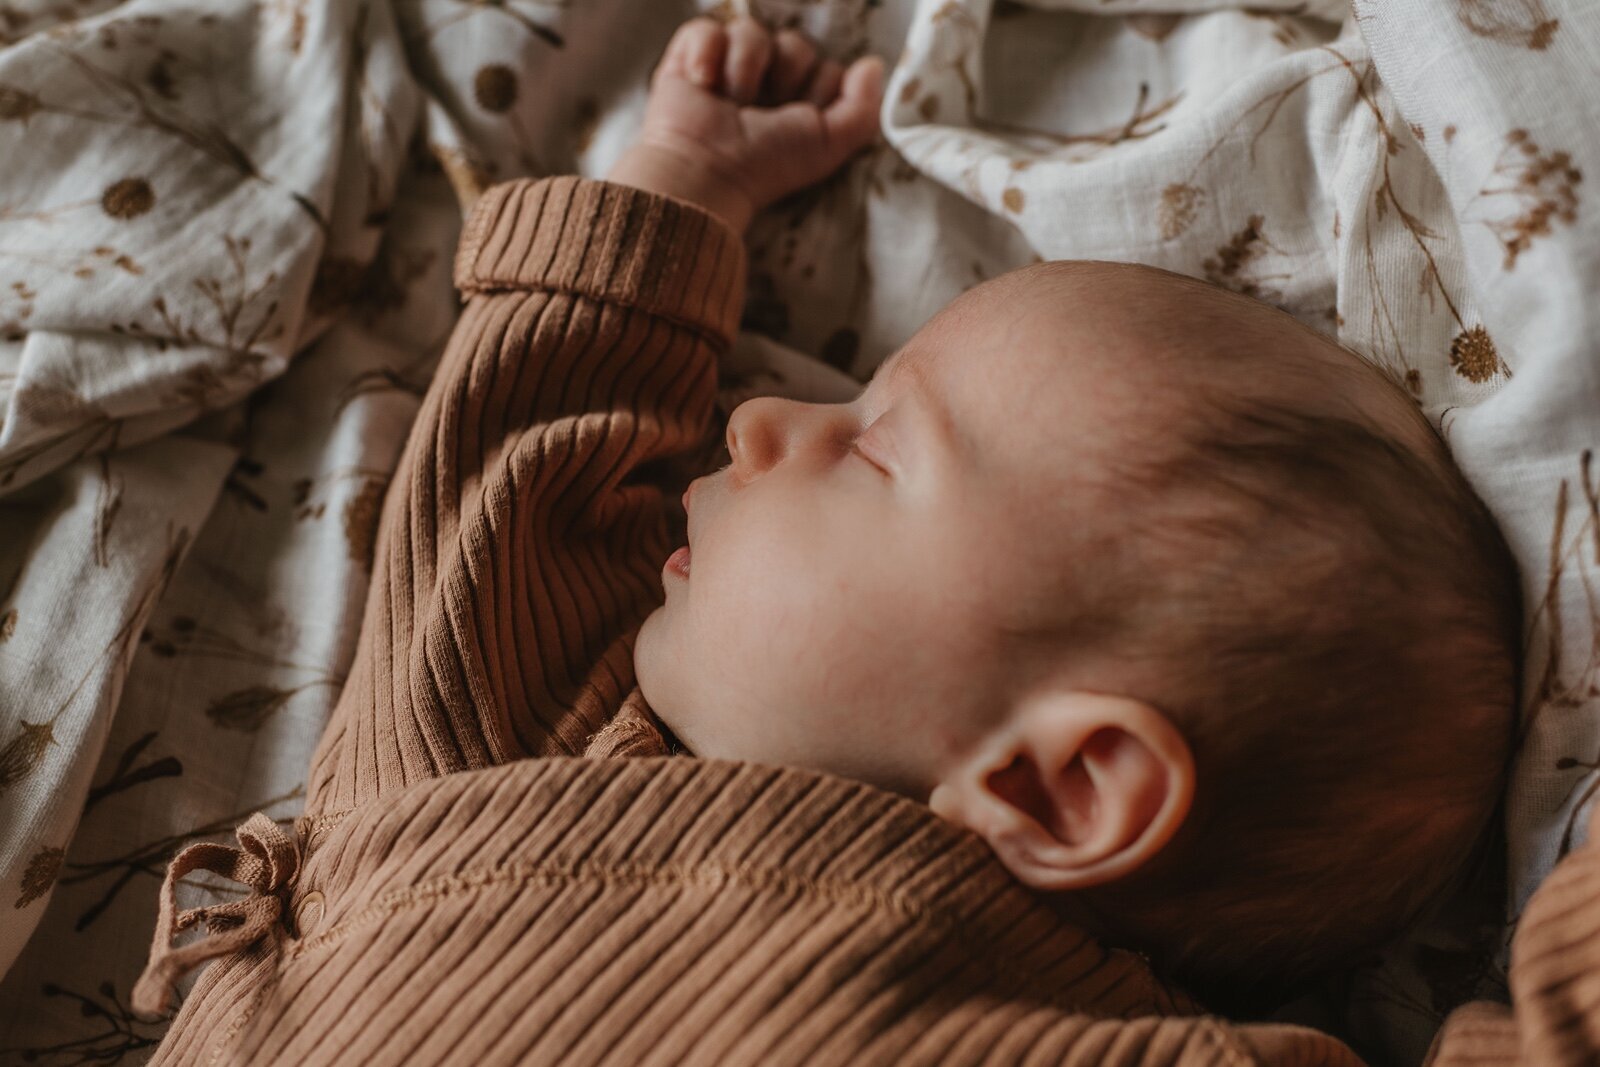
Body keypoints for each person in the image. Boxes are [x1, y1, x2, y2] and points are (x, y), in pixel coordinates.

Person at [129, 15, 1522, 1063]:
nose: (758, 415)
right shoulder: (539, 734)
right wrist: (680, 180)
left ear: (1062, 786)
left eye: (868, 447)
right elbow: (513, 461)